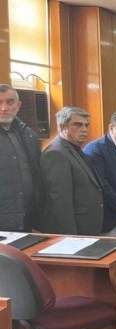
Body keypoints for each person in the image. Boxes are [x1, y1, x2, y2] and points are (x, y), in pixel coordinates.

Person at [40, 107, 104, 235]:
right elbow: (60, 202)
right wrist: (70, 236)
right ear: (63, 127)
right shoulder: (56, 153)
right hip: (74, 231)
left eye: (86, 125)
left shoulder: (74, 148)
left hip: (87, 227)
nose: (84, 129)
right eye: (78, 124)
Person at [0, 84, 42, 232]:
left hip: (27, 219)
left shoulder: (28, 135)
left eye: (10, 102)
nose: (4, 108)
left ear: (18, 106)